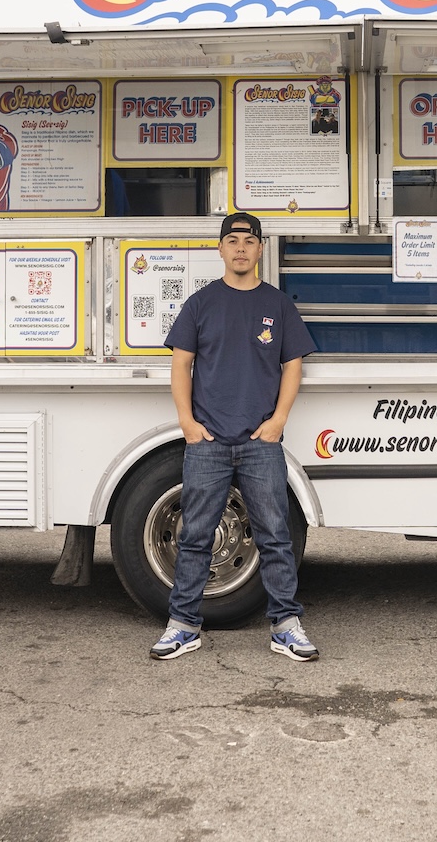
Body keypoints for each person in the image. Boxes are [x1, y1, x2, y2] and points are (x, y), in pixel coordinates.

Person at [150, 212, 320, 662]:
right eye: (232, 240)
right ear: (220, 249)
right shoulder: (200, 304)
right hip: (208, 442)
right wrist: (187, 422)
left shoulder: (278, 304)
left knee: (275, 536)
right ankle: (183, 625)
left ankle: (285, 624)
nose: (241, 247)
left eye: (249, 240)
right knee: (195, 536)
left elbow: (293, 364)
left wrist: (279, 419)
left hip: (260, 443)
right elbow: (180, 365)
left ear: (260, 249)